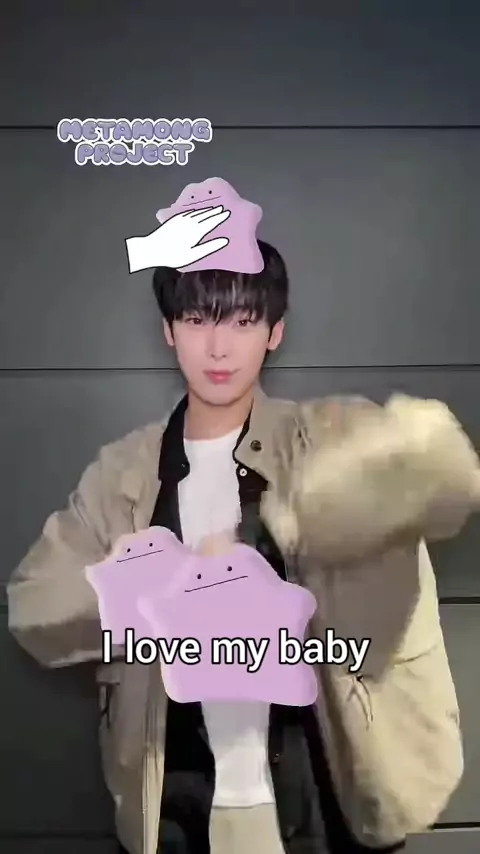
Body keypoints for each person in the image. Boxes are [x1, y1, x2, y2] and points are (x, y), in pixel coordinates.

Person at [7, 239, 473, 854]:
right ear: (169, 330)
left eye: (243, 320)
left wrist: (301, 524)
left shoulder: (325, 437)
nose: (219, 346)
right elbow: (33, 604)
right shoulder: (122, 473)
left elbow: (440, 471)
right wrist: (162, 588)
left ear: (275, 332)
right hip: (171, 815)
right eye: (197, 319)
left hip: (326, 806)